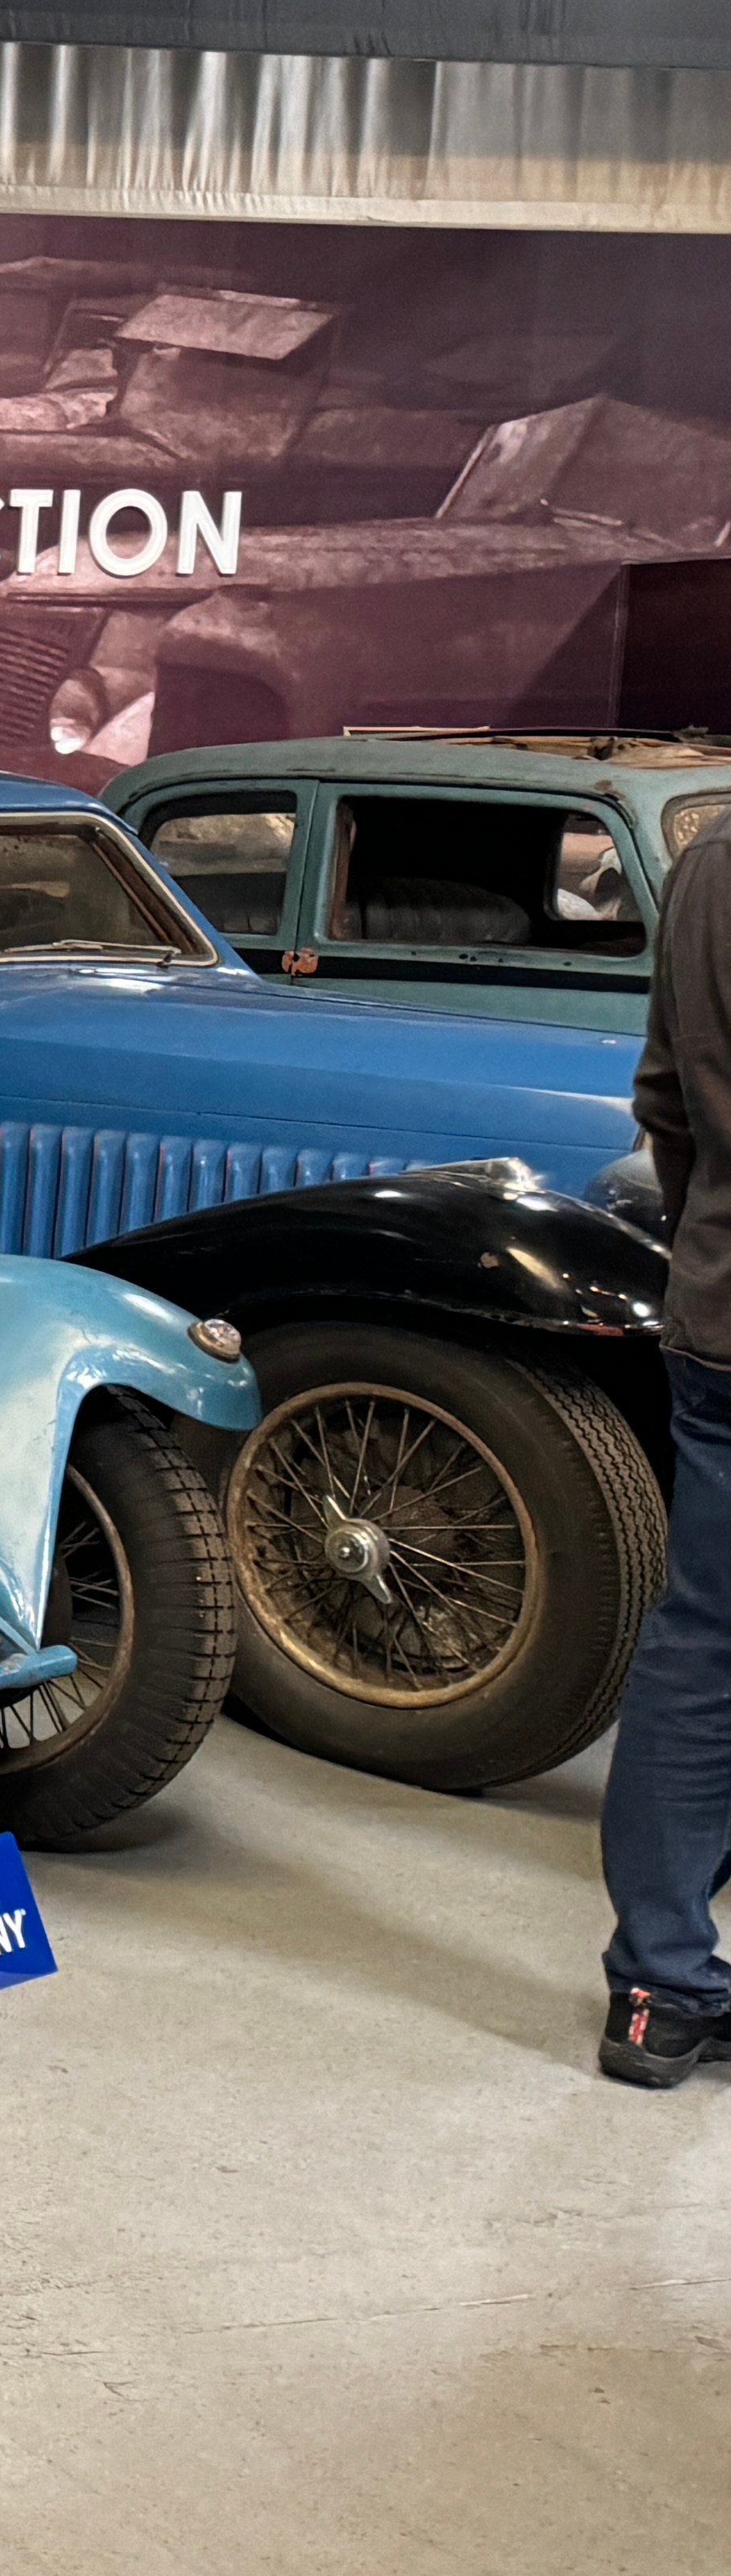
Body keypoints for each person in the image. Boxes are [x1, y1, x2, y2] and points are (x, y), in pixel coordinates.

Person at [600, 811, 731, 2084]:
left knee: (701, 1648)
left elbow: (665, 1107)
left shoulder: (711, 861)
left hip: (722, 1318)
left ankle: (660, 1989)